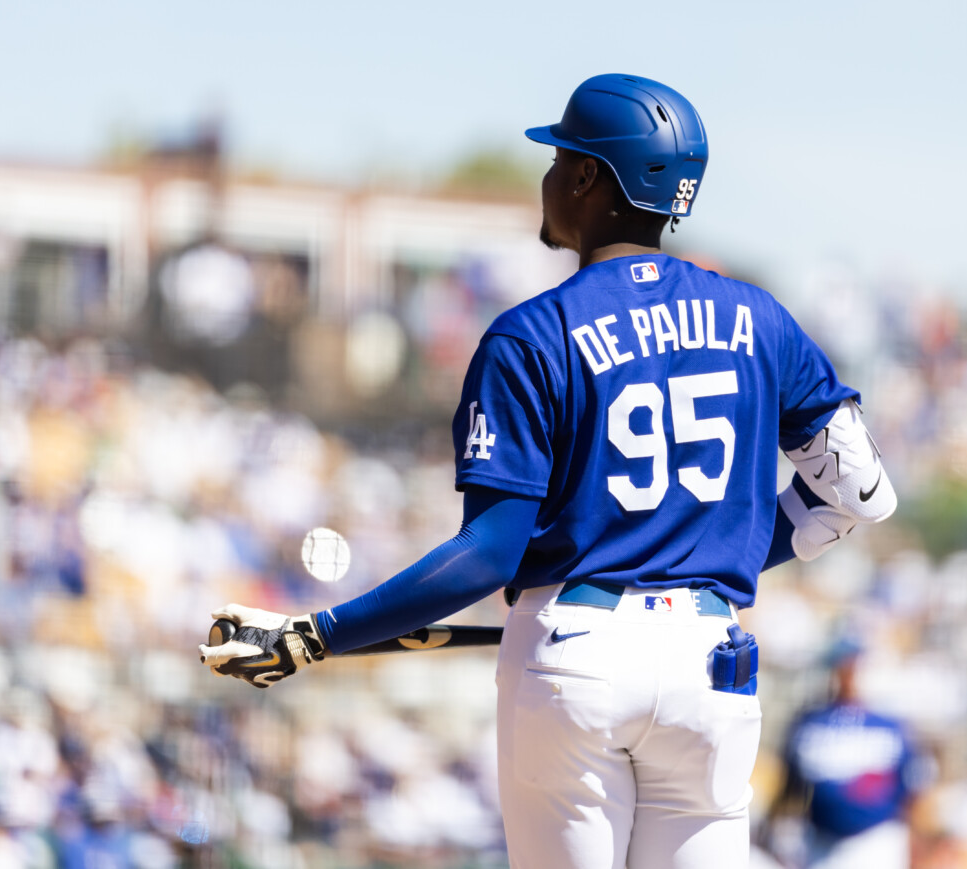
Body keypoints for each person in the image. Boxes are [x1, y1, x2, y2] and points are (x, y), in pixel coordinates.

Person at [199, 73, 897, 869]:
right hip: (712, 658)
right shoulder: (761, 317)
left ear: (588, 177)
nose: (548, 175)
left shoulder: (533, 333)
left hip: (578, 656)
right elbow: (861, 493)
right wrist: (725, 551)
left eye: (561, 155)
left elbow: (491, 553)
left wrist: (318, 632)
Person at [765, 638, 925, 869]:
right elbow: (789, 788)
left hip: (877, 839)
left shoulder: (890, 725)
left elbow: (912, 788)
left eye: (856, 666)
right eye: (845, 666)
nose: (850, 674)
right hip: (822, 840)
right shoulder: (810, 722)